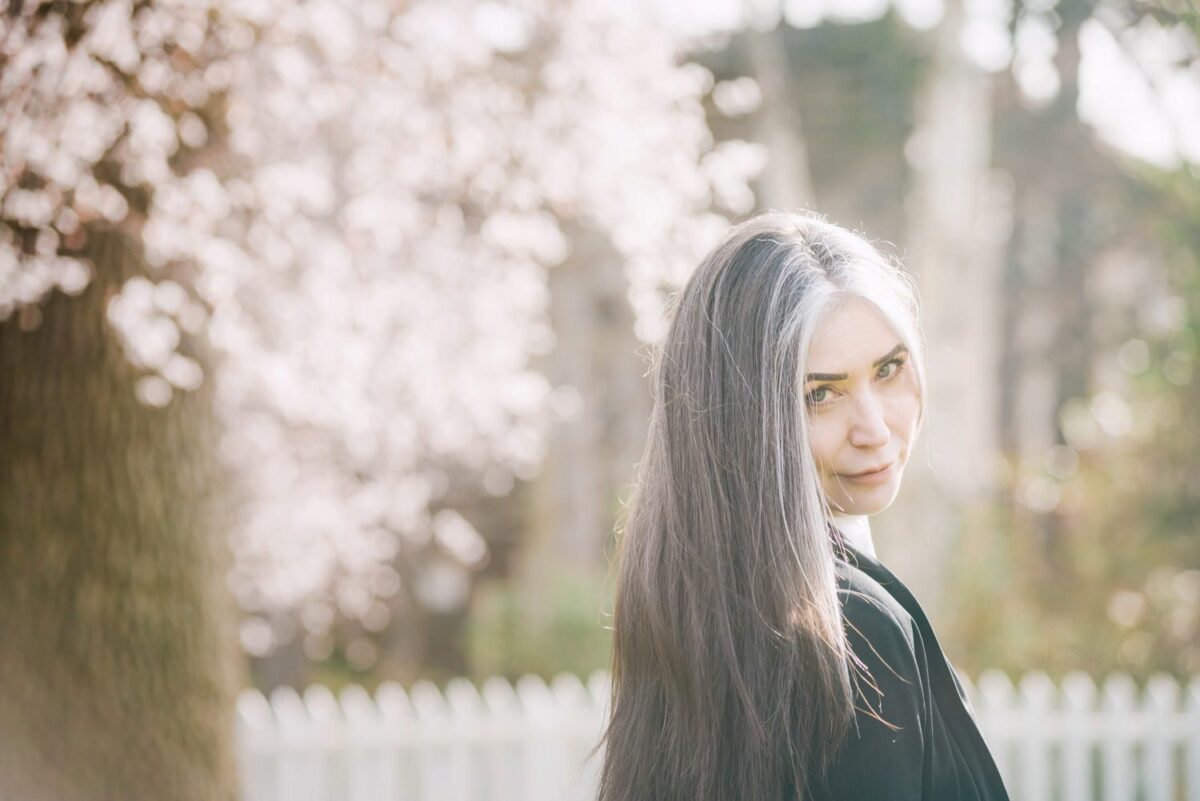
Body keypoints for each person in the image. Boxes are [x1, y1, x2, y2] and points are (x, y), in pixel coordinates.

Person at [594, 210, 1010, 801]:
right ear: (740, 420)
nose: (874, 428)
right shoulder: (846, 627)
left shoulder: (686, 601)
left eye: (888, 369)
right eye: (820, 394)